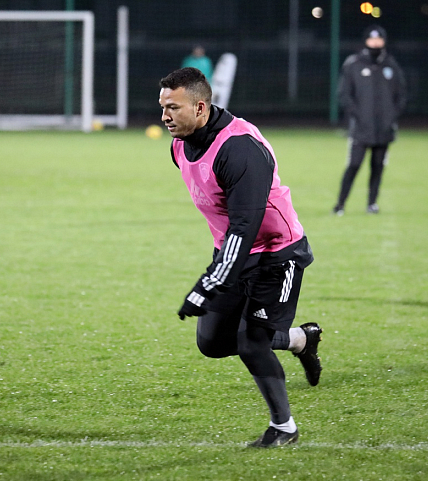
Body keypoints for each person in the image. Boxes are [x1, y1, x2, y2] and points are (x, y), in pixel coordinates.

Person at [158, 67, 322, 448]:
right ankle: (300, 339)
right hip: (233, 252)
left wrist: (208, 282)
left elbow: (245, 226)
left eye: (173, 108)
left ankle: (284, 428)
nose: (165, 116)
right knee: (212, 342)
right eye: (163, 107)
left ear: (200, 108)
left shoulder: (239, 149)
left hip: (277, 254)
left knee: (251, 343)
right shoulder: (180, 145)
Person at [333, 25, 407, 215]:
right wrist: (357, 115)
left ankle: (372, 204)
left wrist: (391, 116)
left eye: (379, 39)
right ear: (366, 41)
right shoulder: (354, 64)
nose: (375, 43)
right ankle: (340, 204)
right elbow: (344, 94)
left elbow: (401, 95)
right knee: (354, 165)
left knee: (378, 166)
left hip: (384, 129)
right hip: (361, 128)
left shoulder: (391, 65)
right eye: (372, 39)